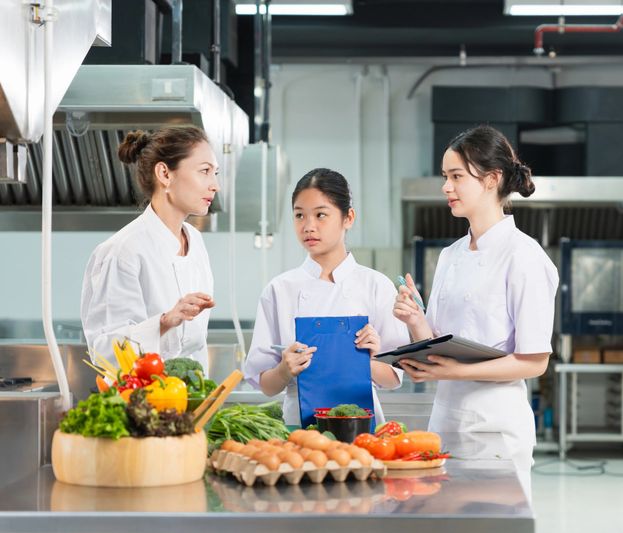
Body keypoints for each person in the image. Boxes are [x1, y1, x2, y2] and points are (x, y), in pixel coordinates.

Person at [393, 125, 558, 477]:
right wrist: (414, 320)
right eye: (444, 176)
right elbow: (438, 340)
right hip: (445, 417)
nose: (446, 187)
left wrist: (459, 371)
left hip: (495, 422)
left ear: (491, 179)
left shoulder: (524, 256)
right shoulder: (451, 255)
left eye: (456, 176)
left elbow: (534, 361)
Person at [244, 168, 407, 426]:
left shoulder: (376, 286)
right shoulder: (279, 290)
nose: (308, 226)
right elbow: (266, 385)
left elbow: (394, 378)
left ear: (348, 217)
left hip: (362, 426)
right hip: (298, 426)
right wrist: (285, 369)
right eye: (299, 215)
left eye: (321, 215)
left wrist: (367, 361)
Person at [81, 125, 218, 371]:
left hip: (193, 401)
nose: (214, 185)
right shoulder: (122, 251)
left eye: (215, 173)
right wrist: (164, 322)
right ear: (165, 174)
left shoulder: (195, 241)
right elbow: (105, 353)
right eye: (205, 171)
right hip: (142, 402)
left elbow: (195, 348)